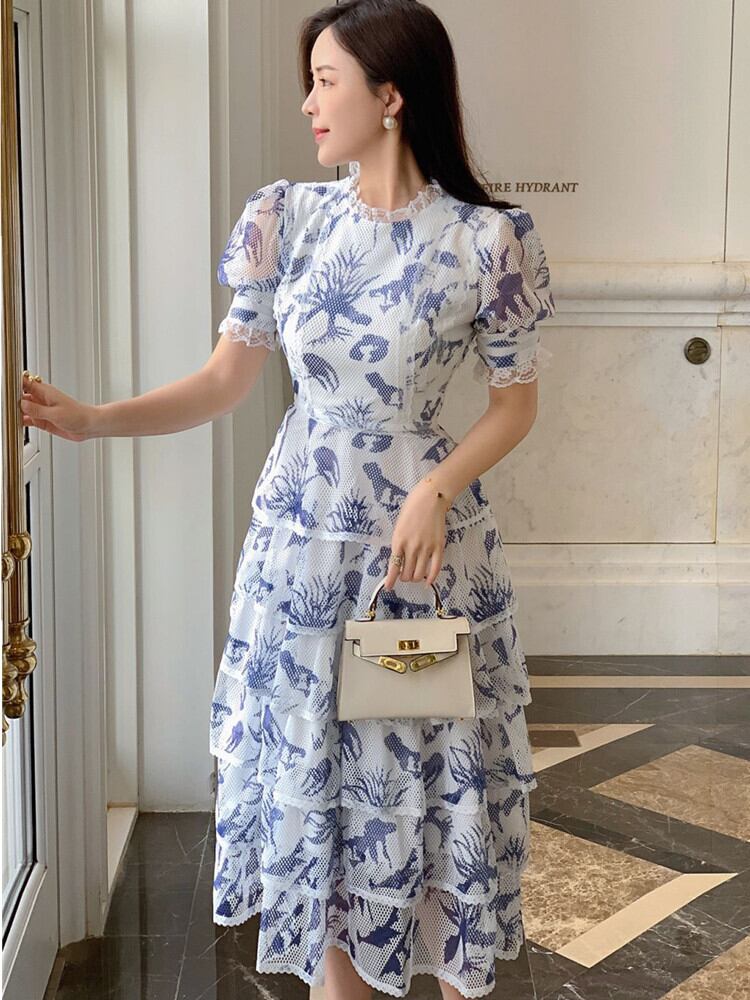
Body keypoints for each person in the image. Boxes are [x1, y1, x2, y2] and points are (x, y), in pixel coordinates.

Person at [19, 1, 556, 996]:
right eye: (309, 81)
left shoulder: (487, 241)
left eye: (326, 80)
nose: (308, 102)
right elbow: (224, 381)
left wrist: (437, 489)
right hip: (301, 549)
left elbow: (515, 404)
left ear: (391, 96)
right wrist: (93, 420)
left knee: (417, 774)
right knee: (324, 790)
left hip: (416, 560)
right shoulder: (288, 220)